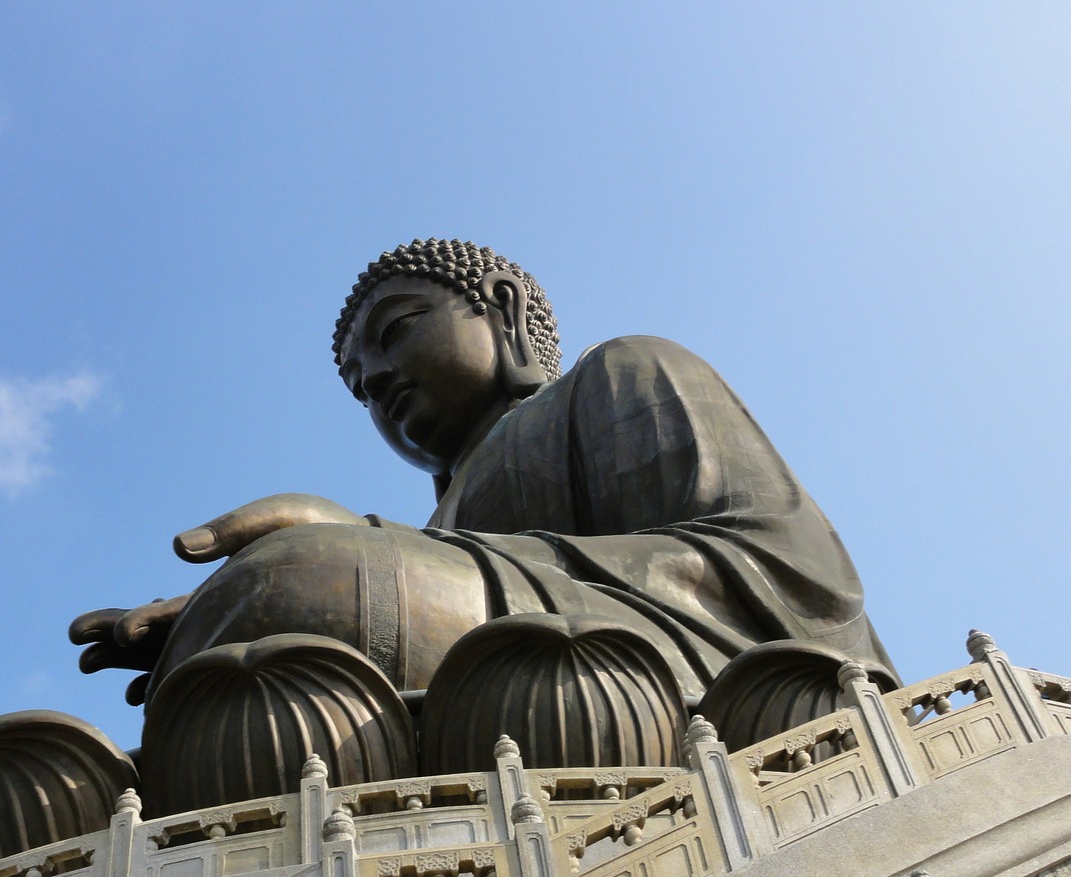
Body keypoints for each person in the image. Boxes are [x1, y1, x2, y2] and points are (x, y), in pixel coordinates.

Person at [71, 238, 895, 720]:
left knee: (307, 581)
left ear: (499, 307)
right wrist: (330, 554)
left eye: (396, 332)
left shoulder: (622, 373)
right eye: (360, 384)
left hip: (674, 698)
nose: (380, 376)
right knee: (292, 602)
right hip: (509, 712)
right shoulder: (435, 524)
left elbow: (792, 580)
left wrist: (343, 567)